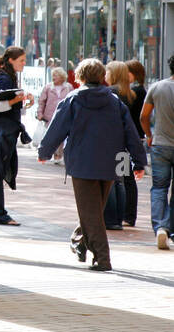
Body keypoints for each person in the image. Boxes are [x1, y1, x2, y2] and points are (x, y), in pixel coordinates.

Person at [38, 58, 147, 272]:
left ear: (80, 76)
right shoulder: (115, 101)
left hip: (82, 163)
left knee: (91, 212)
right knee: (94, 210)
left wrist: (44, 152)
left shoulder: (73, 99)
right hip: (110, 163)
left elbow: (57, 128)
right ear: (101, 76)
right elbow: (131, 133)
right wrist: (139, 161)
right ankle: (79, 242)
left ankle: (102, 258)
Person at [0, 46, 34, 226]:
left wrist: (21, 100)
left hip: (3, 130)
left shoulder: (7, 76)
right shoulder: (4, 78)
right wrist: (16, 100)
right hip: (2, 131)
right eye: (22, 60)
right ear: (11, 60)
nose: (24, 64)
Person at [141, 54, 174, 249]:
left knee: (159, 188)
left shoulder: (158, 87)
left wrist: (149, 135)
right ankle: (172, 228)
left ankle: (161, 227)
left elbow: (144, 116)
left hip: (160, 145)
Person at [103, 61, 139, 229]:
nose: (105, 76)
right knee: (124, 180)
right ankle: (127, 216)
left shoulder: (110, 93)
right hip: (125, 143)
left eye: (107, 72)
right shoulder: (131, 94)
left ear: (114, 74)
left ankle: (113, 218)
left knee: (113, 180)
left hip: (112, 143)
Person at [35, 66, 72, 163]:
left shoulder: (68, 87)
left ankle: (59, 155)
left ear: (62, 76)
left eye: (56, 75)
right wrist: (40, 113)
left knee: (61, 136)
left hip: (64, 115)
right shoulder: (48, 87)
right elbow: (41, 101)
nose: (54, 77)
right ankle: (54, 155)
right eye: (53, 75)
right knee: (51, 135)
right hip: (49, 116)